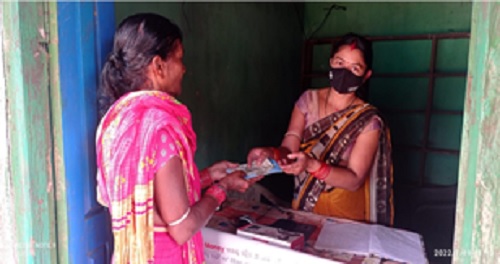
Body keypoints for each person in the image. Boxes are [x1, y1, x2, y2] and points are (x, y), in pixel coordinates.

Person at [96, 13, 252, 264]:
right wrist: (222, 189)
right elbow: (182, 228)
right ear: (158, 66)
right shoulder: (160, 126)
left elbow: (150, 191)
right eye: (179, 59)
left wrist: (210, 175)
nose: (184, 68)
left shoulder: (114, 122)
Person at [247, 33, 393, 225]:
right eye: (340, 63)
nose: (345, 72)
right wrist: (270, 153)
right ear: (331, 61)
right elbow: (289, 150)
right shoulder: (307, 101)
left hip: (347, 214)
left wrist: (311, 165)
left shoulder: (368, 121)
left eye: (354, 68)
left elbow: (355, 179)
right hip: (306, 207)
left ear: (366, 75)